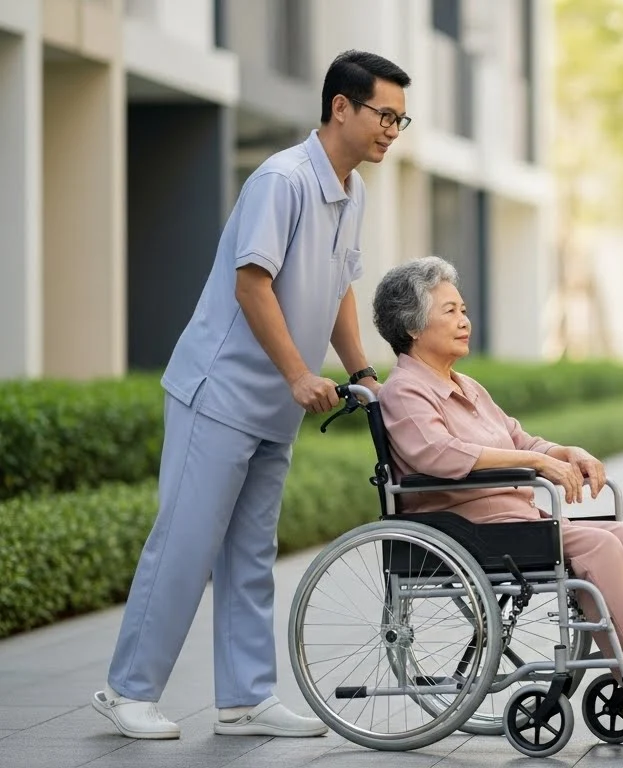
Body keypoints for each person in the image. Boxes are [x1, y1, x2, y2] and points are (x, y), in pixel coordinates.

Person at [92, 50, 412, 740]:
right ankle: (127, 691)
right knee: (184, 542)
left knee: (250, 553)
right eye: (384, 114)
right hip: (220, 391)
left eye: (400, 119)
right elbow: (251, 283)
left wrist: (360, 370)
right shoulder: (282, 180)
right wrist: (301, 373)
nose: (392, 129)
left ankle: (244, 699)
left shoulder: (350, 191)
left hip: (274, 406)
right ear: (340, 108)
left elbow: (337, 287)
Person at [371, 257, 623, 715]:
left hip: (515, 522)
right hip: (469, 529)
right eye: (450, 311)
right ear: (413, 327)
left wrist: (563, 452)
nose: (465, 321)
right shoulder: (405, 391)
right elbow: (438, 455)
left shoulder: (467, 387)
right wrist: (531, 461)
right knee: (600, 547)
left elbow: (520, 438)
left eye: (464, 309)